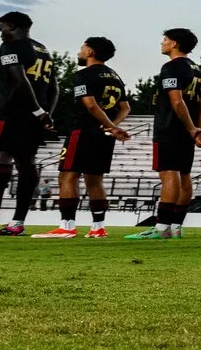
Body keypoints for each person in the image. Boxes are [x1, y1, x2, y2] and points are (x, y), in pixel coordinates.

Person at [0, 10, 57, 235]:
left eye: (2, 29)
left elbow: (19, 78)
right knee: (27, 164)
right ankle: (18, 222)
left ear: (11, 26)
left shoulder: (10, 46)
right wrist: (46, 114)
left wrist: (37, 110)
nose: (0, 34)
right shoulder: (43, 50)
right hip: (35, 118)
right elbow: (55, 88)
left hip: (11, 113)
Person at [38, 37, 131, 238]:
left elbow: (90, 105)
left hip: (82, 130)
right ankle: (98, 228)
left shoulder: (84, 75)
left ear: (90, 52)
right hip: (104, 134)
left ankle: (67, 226)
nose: (79, 52)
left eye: (82, 48)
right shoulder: (115, 77)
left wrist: (110, 126)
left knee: (68, 175)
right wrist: (112, 126)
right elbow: (125, 107)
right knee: (95, 180)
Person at [128, 28, 201, 240]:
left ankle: (161, 227)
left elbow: (176, 100)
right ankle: (176, 227)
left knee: (169, 173)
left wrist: (192, 128)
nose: (162, 43)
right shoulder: (197, 70)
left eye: (165, 40)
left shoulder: (171, 67)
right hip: (186, 131)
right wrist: (199, 129)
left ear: (174, 44)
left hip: (170, 128)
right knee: (184, 175)